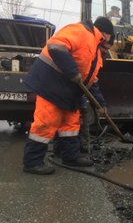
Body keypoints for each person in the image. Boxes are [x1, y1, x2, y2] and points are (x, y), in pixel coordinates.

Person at [22, 17, 114, 175]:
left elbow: (92, 81)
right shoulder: (81, 32)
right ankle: (32, 163)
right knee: (46, 122)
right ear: (105, 35)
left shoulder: (96, 54)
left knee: (70, 124)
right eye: (108, 43)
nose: (107, 50)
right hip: (50, 84)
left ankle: (70, 156)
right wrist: (72, 72)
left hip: (68, 91)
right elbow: (56, 46)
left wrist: (101, 104)